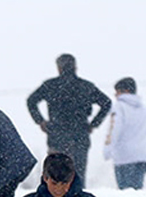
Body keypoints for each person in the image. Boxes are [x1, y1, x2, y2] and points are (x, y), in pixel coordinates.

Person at [26, 54, 112, 187]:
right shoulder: (86, 86)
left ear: (59, 68)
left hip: (57, 135)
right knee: (77, 174)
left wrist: (41, 121)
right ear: (75, 67)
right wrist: (93, 124)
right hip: (80, 135)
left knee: (55, 175)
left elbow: (31, 101)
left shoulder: (50, 85)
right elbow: (106, 102)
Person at [103, 77, 146, 190]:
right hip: (142, 157)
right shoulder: (145, 110)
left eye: (117, 92)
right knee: (137, 192)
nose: (115, 95)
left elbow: (114, 129)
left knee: (125, 194)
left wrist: (107, 149)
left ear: (125, 91)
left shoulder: (119, 107)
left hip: (124, 158)